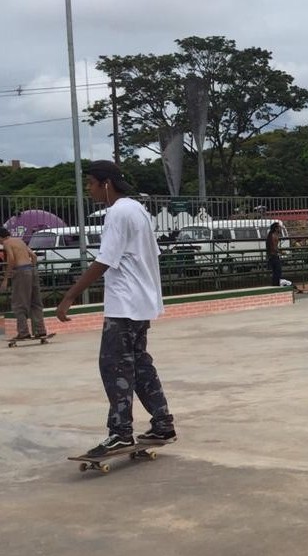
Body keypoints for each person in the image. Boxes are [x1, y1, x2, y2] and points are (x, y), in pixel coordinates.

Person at [56, 161, 176, 458]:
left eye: (91, 184)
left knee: (114, 366)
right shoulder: (138, 210)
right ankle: (162, 423)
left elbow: (105, 260)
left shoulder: (118, 212)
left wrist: (70, 295)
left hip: (124, 305)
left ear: (105, 184)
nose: (89, 189)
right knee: (139, 362)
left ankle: (120, 433)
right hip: (141, 302)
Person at [0, 226, 48, 341]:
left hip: (21, 271)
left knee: (19, 303)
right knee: (35, 302)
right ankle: (40, 330)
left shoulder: (7, 243)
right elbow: (33, 256)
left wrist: (6, 278)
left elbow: (11, 259)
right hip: (31, 270)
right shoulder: (19, 241)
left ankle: (23, 332)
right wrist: (33, 269)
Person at [266, 221, 284, 286]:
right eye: (279, 227)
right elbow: (274, 247)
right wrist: (281, 252)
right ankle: (276, 284)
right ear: (276, 228)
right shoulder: (274, 236)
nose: (280, 228)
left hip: (272, 255)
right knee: (278, 271)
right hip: (274, 255)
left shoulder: (272, 235)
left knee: (276, 271)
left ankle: (275, 284)